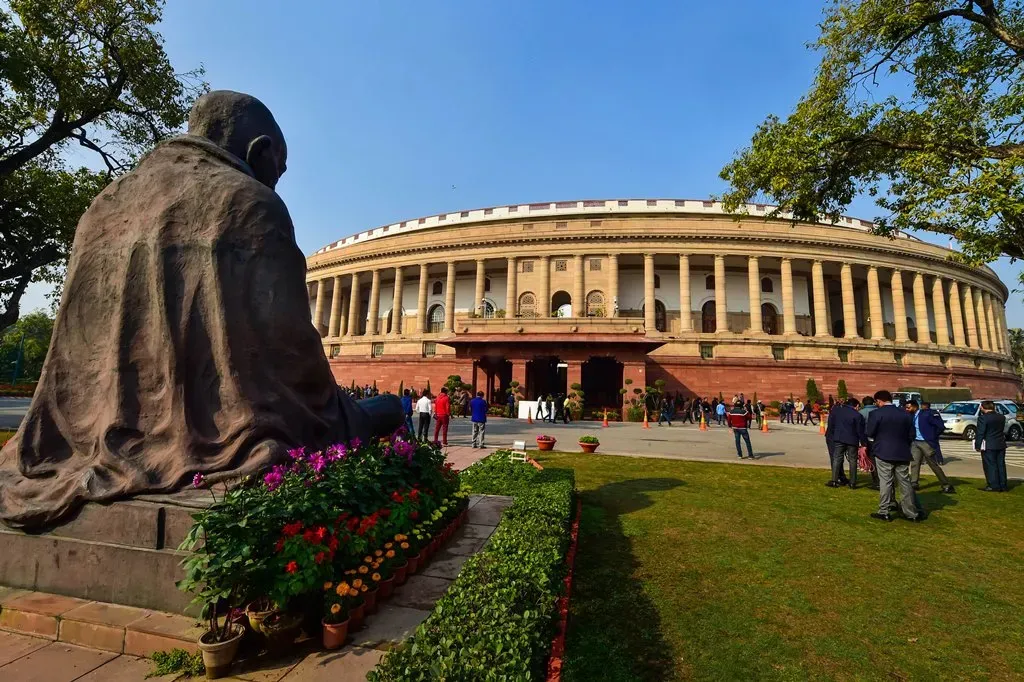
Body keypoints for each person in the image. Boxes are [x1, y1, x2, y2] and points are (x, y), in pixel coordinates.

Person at [0, 90, 407, 530]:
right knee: (386, 411)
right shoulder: (251, 200)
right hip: (226, 434)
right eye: (279, 168)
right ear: (261, 151)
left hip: (78, 434)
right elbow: (290, 347)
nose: (276, 179)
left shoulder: (105, 202)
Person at [865, 390, 921, 522]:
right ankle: (911, 513)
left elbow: (870, 432)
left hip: (883, 451)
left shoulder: (876, 413)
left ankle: (884, 510)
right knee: (904, 482)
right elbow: (911, 434)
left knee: (886, 481)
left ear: (879, 401)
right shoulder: (905, 414)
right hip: (902, 451)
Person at [905, 400, 955, 493]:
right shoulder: (910, 415)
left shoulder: (927, 414)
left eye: (908, 407)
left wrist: (933, 436)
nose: (907, 409)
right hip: (915, 442)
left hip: (926, 442)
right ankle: (914, 483)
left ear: (915, 407)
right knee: (915, 463)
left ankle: (946, 484)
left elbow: (940, 426)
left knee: (933, 464)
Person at [825, 397, 866, 488]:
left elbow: (831, 424)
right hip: (852, 440)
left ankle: (834, 480)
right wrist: (863, 443)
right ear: (857, 406)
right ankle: (852, 482)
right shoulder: (857, 415)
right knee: (853, 460)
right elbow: (860, 431)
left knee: (837, 459)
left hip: (839, 438)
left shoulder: (838, 412)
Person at [974, 400, 1008, 492]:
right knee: (1000, 465)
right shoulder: (1001, 417)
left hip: (989, 445)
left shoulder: (983, 418)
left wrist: (978, 445)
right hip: (1000, 443)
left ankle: (993, 485)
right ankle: (1003, 484)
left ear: (984, 407)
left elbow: (980, 433)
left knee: (990, 465)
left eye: (981, 407)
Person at [859, 396, 880, 490]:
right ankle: (881, 480)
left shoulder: (861, 413)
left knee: (871, 460)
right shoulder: (879, 411)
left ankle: (876, 481)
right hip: (880, 439)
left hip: (867, 440)